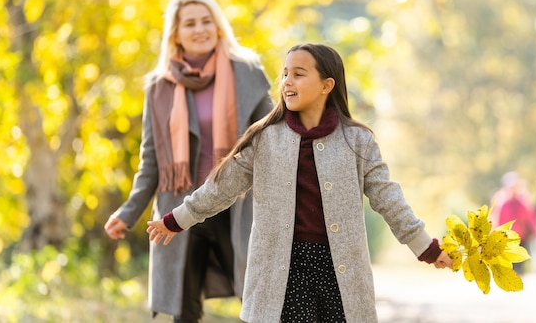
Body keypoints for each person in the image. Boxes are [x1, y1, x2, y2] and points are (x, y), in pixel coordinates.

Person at [146, 43, 453, 323]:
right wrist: (176, 220)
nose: (287, 82)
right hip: (282, 274)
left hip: (341, 273)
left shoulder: (357, 141)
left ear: (326, 85)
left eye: (299, 74)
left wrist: (425, 247)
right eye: (285, 74)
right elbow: (220, 187)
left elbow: (389, 198)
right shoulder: (265, 138)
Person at [103, 0, 273, 322]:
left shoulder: (248, 73)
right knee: (184, 310)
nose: (200, 29)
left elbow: (273, 139)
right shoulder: (159, 87)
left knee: (259, 300)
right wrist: (129, 211)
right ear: (176, 34)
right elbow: (150, 161)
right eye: (190, 23)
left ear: (219, 26)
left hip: (237, 205)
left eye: (207, 21)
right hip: (178, 212)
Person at [492, 171, 536, 274]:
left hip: (521, 237)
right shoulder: (501, 202)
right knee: (509, 265)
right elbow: (497, 220)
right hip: (506, 239)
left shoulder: (522, 201)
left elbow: (529, 217)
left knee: (520, 265)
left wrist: (535, 232)